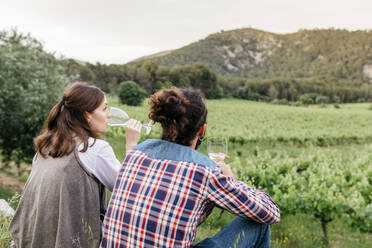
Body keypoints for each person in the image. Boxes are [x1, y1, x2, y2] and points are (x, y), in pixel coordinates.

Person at [100, 87, 280, 248]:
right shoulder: (204, 171)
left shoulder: (135, 154)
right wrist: (232, 180)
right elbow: (271, 213)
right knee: (260, 223)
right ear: (201, 130)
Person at [9, 82, 141, 248]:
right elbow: (129, 190)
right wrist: (131, 146)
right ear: (87, 115)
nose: (108, 115)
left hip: (29, 241)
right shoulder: (94, 148)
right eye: (104, 108)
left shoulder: (47, 145)